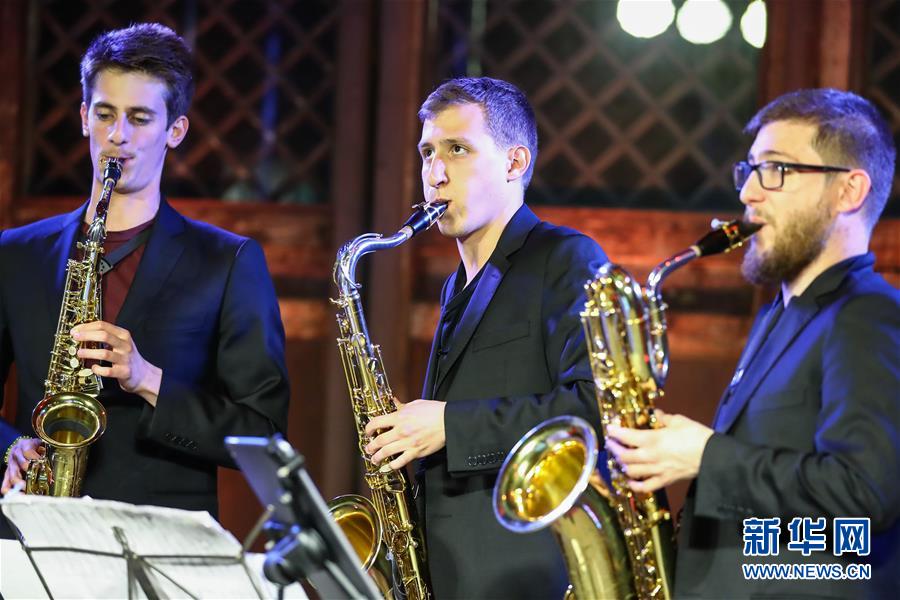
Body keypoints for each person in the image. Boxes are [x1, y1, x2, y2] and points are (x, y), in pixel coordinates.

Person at [606, 88, 900, 598]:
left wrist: (706, 457)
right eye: (750, 170)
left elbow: (862, 496)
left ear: (848, 192)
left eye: (777, 170)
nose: (748, 194)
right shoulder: (778, 316)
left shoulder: (869, 315)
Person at [0, 23, 289, 520]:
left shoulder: (227, 261)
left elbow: (263, 432)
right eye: (105, 114)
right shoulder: (16, 253)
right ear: (84, 118)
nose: (118, 136)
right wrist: (9, 448)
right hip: (32, 526)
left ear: (175, 131)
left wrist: (147, 378)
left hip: (159, 537)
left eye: (139, 118)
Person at [363, 77, 608, 598]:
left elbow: (593, 409)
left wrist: (450, 424)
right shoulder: (456, 284)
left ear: (514, 163)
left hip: (528, 575)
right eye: (427, 152)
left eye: (458, 149)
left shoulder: (566, 258)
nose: (435, 173)